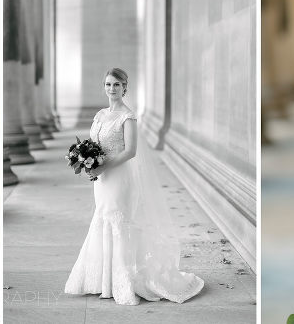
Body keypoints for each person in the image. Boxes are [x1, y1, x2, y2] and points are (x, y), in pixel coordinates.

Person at [64, 67, 204, 305]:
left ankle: (124, 281)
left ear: (124, 88)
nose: (112, 89)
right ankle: (104, 281)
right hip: (101, 179)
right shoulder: (100, 115)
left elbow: (130, 151)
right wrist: (86, 159)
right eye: (108, 84)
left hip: (119, 177)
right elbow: (94, 144)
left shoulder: (127, 117)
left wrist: (102, 167)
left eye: (116, 85)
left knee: (118, 221)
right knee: (102, 219)